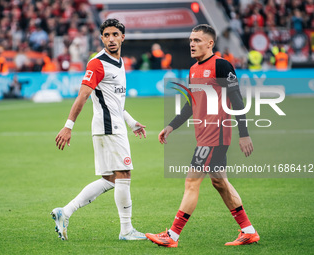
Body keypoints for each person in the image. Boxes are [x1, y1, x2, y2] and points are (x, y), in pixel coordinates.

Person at [146, 24, 259, 248]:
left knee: (191, 181)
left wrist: (244, 134)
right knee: (219, 182)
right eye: (191, 40)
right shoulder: (193, 70)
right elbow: (191, 104)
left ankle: (172, 235)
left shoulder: (221, 65)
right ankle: (248, 231)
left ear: (210, 43)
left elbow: (237, 100)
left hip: (215, 135)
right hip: (205, 135)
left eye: (197, 40)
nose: (192, 44)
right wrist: (171, 126)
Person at [51, 19, 147, 241]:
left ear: (123, 37)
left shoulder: (120, 62)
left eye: (115, 34)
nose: (111, 39)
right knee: (124, 175)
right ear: (101, 38)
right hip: (109, 127)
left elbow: (116, 101)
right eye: (107, 35)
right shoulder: (97, 63)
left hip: (114, 125)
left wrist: (132, 122)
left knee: (111, 179)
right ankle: (126, 230)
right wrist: (68, 126)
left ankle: (64, 212)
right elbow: (83, 96)